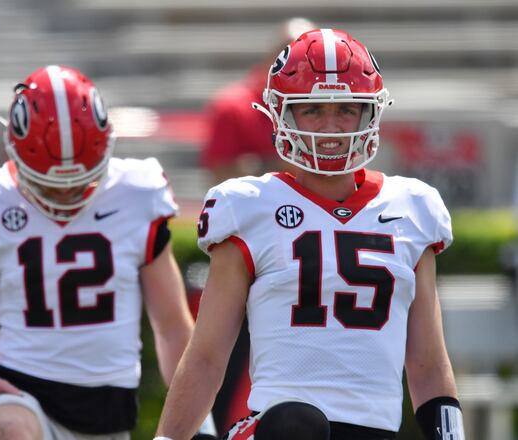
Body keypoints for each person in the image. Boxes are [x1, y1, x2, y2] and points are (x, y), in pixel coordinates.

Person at [155, 29, 465, 440]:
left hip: (372, 431)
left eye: (346, 109)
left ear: (370, 113)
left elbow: (428, 363)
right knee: (298, 424)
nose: (331, 126)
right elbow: (207, 356)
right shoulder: (250, 205)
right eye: (313, 110)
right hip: (277, 428)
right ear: (282, 114)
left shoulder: (412, 207)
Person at [0, 65, 207, 440]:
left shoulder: (136, 193)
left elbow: (173, 328)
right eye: (50, 184)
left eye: (81, 180)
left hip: (110, 412)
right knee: (7, 431)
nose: (66, 193)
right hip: (21, 393)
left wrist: (202, 422)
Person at [201, 17, 314, 184]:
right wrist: (280, 166)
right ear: (272, 58)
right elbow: (220, 173)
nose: (300, 65)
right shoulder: (232, 105)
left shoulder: (329, 104)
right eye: (293, 57)